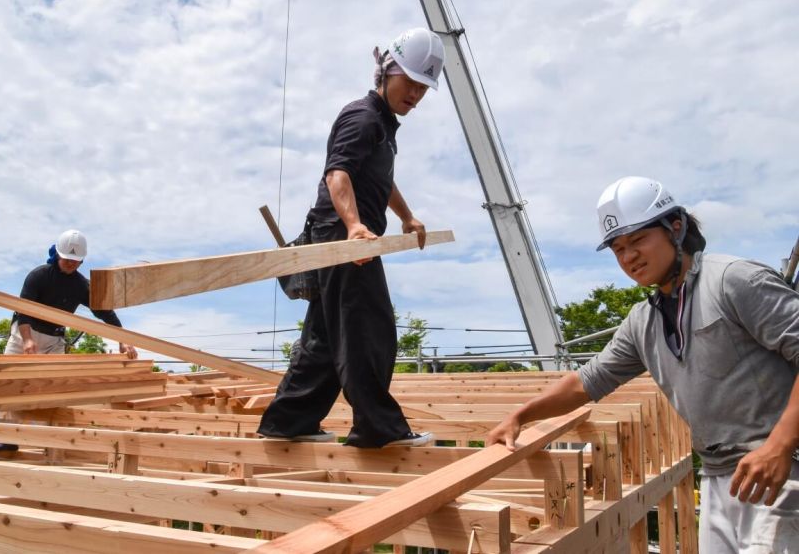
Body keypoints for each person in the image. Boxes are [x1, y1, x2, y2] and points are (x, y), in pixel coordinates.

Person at [486, 176, 799, 553]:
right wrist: (521, 415)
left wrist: (779, 447)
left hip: (781, 471)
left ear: (676, 228)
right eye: (618, 249)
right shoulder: (643, 321)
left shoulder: (733, 281)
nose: (629, 257)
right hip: (720, 478)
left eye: (637, 240)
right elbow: (589, 380)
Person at [257, 28, 445, 448]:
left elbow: (380, 180)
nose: (415, 94)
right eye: (410, 82)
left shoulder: (382, 125)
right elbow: (337, 172)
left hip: (344, 235)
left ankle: (288, 422)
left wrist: (408, 216)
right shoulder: (362, 117)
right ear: (386, 71)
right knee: (367, 328)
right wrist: (355, 227)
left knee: (325, 337)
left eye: (423, 88)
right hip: (344, 238)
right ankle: (378, 428)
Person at [0, 229, 136, 455]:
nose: (70, 264)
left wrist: (122, 339)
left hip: (53, 339)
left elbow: (104, 312)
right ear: (58, 254)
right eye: (67, 259)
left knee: (53, 387)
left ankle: (51, 440)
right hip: (24, 334)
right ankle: (4, 439)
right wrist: (27, 341)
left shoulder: (80, 285)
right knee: (10, 382)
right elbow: (23, 312)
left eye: (75, 261)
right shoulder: (38, 276)